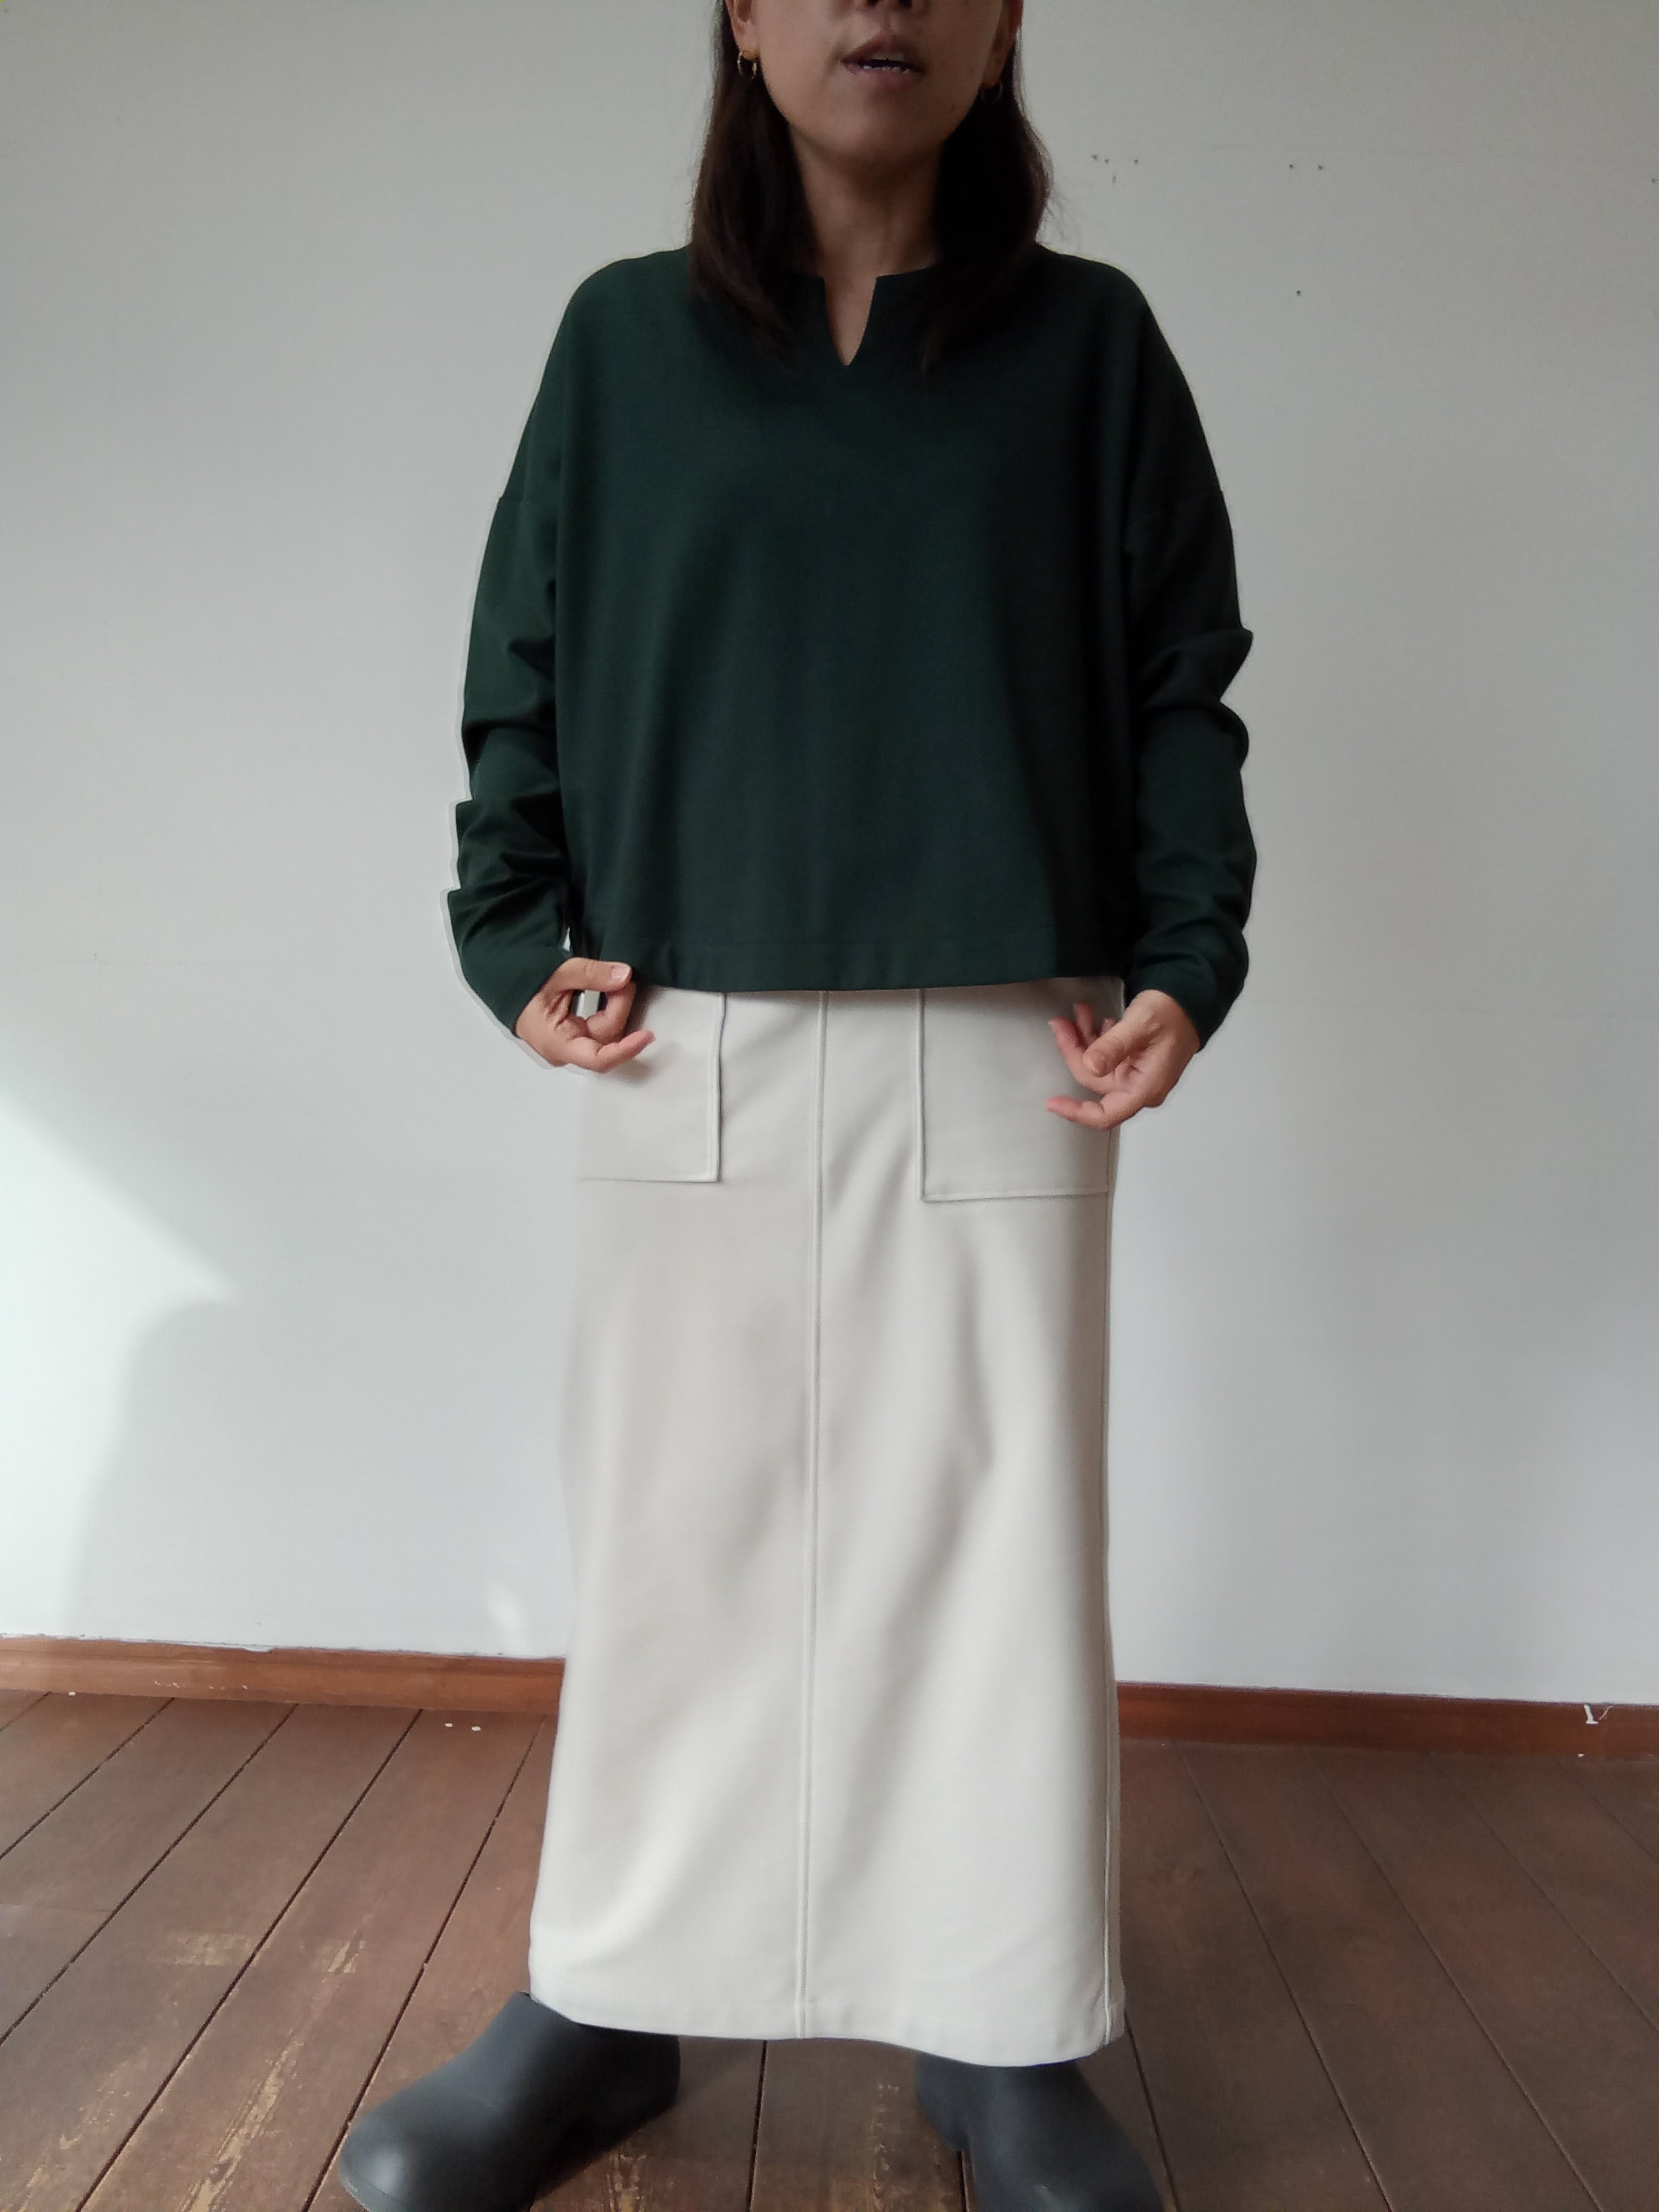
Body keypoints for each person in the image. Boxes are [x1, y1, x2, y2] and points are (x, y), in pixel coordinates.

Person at [339, 3, 1254, 2209]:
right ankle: (604, 1999)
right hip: (688, 1024)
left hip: (1007, 1031)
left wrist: (1187, 955)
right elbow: (521, 663)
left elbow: (1180, 689)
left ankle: (1004, 2028)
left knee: (1000, 1554)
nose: (880, 5)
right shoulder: (624, 344)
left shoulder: (1092, 351)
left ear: (1007, 17)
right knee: (677, 1538)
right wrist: (508, 931)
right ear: (740, 17)